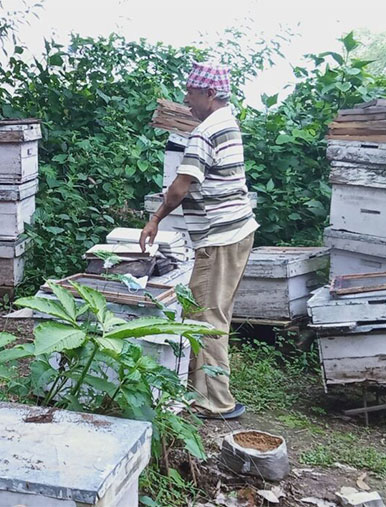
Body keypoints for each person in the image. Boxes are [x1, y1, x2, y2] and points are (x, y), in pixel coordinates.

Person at [140, 62, 258, 419]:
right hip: (237, 234)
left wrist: (155, 217)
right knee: (211, 312)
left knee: (204, 318)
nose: (186, 99)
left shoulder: (205, 131)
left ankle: (214, 401)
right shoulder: (228, 123)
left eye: (191, 92)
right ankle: (199, 389)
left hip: (220, 238)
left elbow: (180, 186)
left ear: (209, 94)